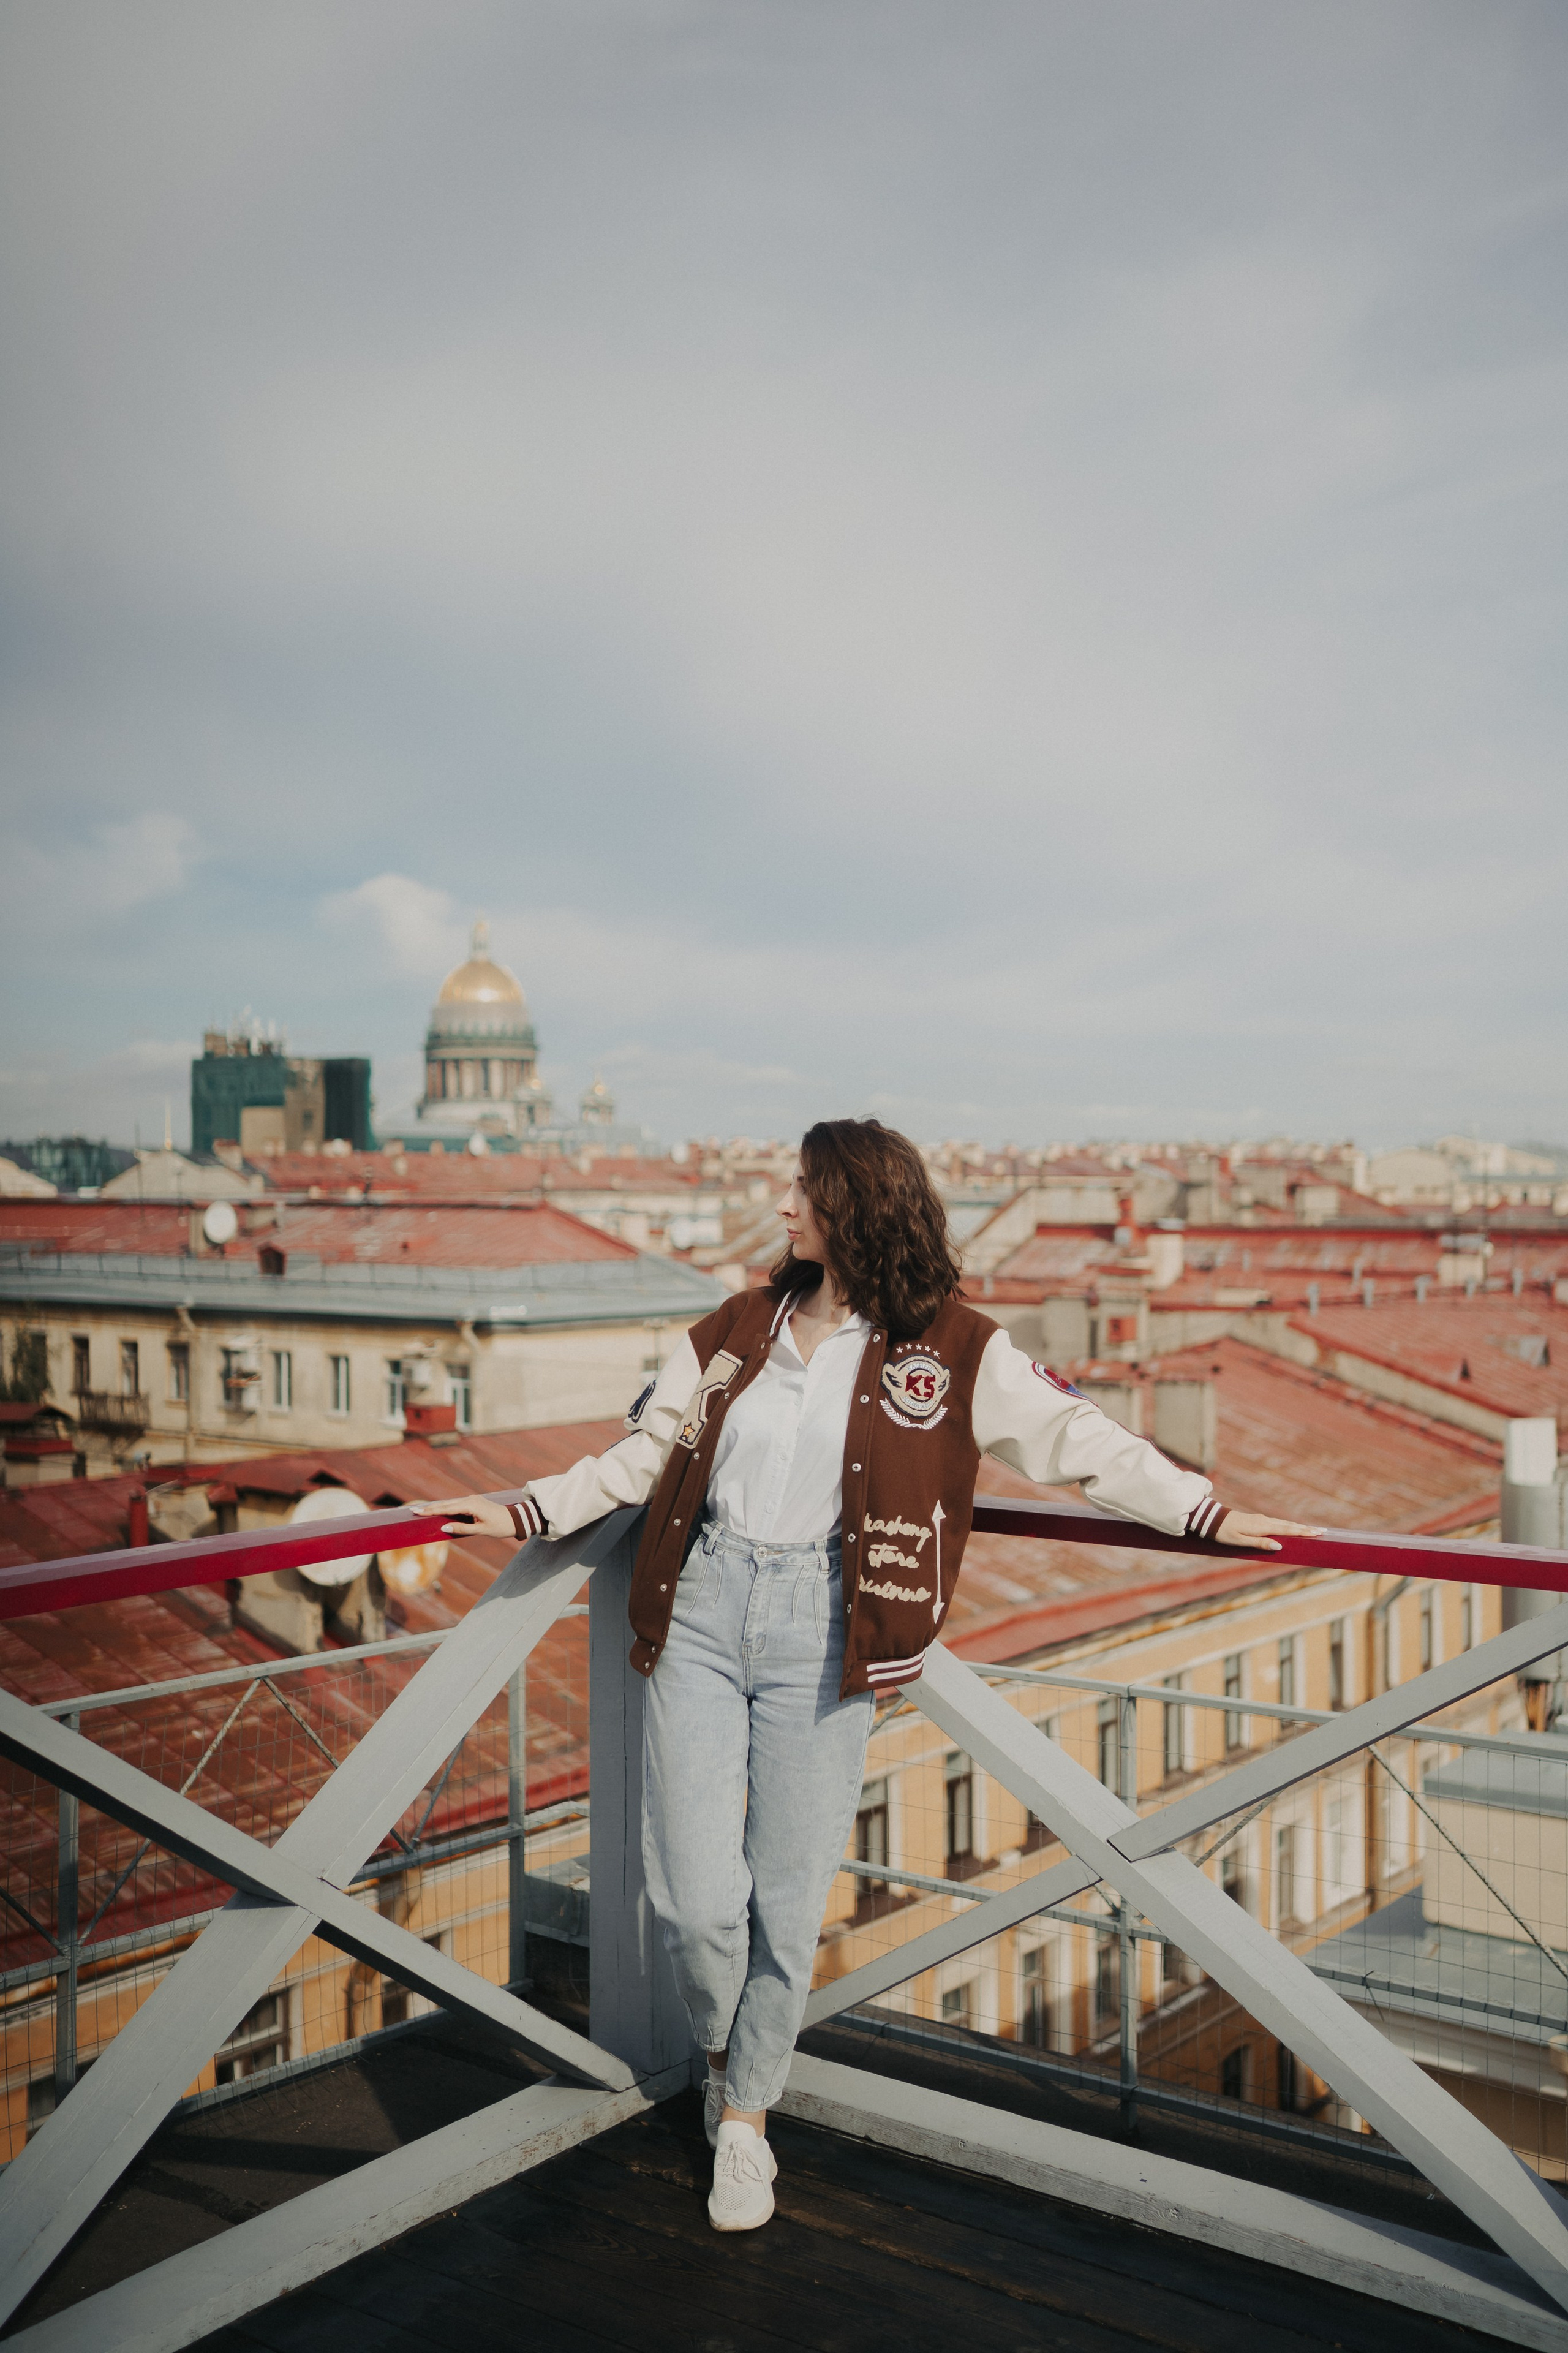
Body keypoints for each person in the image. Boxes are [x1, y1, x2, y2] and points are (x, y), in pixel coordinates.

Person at [417, 1118, 1316, 2232]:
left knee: (785, 1901)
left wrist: (1206, 1512)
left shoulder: (951, 1346)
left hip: (824, 1629)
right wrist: (528, 1508)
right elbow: (642, 1454)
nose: (783, 1206)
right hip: (699, 1611)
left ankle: (745, 2116)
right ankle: (717, 2050)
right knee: (695, 1902)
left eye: (802, 1188)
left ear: (854, 1209)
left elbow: (1079, 1441)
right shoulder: (740, 1327)